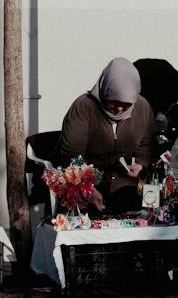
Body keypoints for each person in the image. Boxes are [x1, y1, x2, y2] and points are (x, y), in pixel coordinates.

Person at [59, 58, 162, 214]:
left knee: (137, 212)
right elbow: (71, 156)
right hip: (86, 179)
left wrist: (140, 164)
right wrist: (88, 189)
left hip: (124, 181)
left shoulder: (142, 108)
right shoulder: (84, 108)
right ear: (105, 90)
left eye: (126, 104)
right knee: (89, 214)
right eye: (113, 101)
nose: (119, 109)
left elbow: (146, 146)